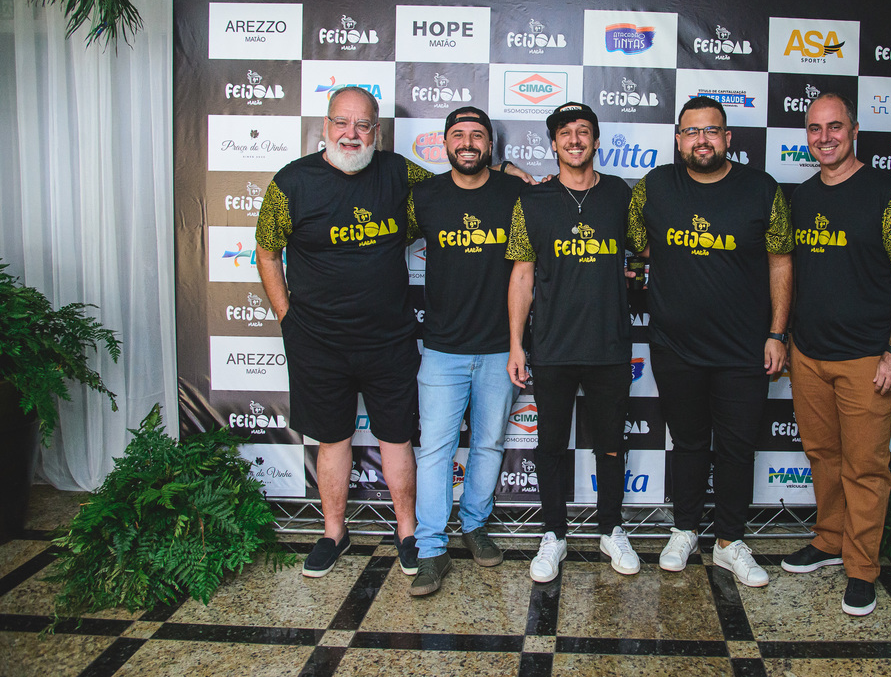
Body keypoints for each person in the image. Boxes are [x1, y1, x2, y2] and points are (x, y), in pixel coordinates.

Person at [255, 85, 428, 579]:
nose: (352, 134)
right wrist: (287, 317)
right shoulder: (291, 182)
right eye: (342, 122)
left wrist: (507, 172)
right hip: (318, 342)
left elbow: (456, 190)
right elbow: (266, 250)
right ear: (325, 127)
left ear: (377, 132)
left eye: (363, 124)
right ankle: (333, 532)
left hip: (389, 339)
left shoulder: (400, 173)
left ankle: (408, 531)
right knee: (332, 440)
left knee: (397, 438)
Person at [627, 95, 793, 587]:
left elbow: (781, 262)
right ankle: (684, 530)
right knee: (689, 443)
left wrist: (777, 333)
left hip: (744, 349)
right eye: (692, 132)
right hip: (675, 346)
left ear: (727, 138)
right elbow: (637, 243)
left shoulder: (762, 189)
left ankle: (729, 542)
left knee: (738, 447)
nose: (702, 140)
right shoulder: (654, 186)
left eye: (711, 131)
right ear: (678, 139)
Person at [784, 92, 891, 616]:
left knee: (866, 467)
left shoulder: (890, 196)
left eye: (834, 127)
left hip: (868, 358)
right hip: (809, 355)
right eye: (814, 129)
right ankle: (830, 539)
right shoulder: (801, 198)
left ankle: (863, 568)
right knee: (823, 456)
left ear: (853, 131)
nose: (824, 137)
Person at [506, 101, 638, 582]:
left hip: (609, 345)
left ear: (596, 141)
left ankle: (611, 529)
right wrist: (517, 344)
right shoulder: (532, 201)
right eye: (565, 132)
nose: (575, 139)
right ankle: (553, 534)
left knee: (611, 444)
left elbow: (647, 247)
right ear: (554, 143)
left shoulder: (620, 193)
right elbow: (522, 275)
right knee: (550, 445)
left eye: (583, 131)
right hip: (553, 346)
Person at [405, 107, 526, 596]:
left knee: (489, 443)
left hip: (500, 347)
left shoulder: (515, 193)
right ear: (445, 143)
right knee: (435, 449)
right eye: (459, 135)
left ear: (490, 146)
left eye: (478, 135)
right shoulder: (424, 196)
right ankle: (431, 549)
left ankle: (475, 525)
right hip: (441, 349)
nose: (468, 143)